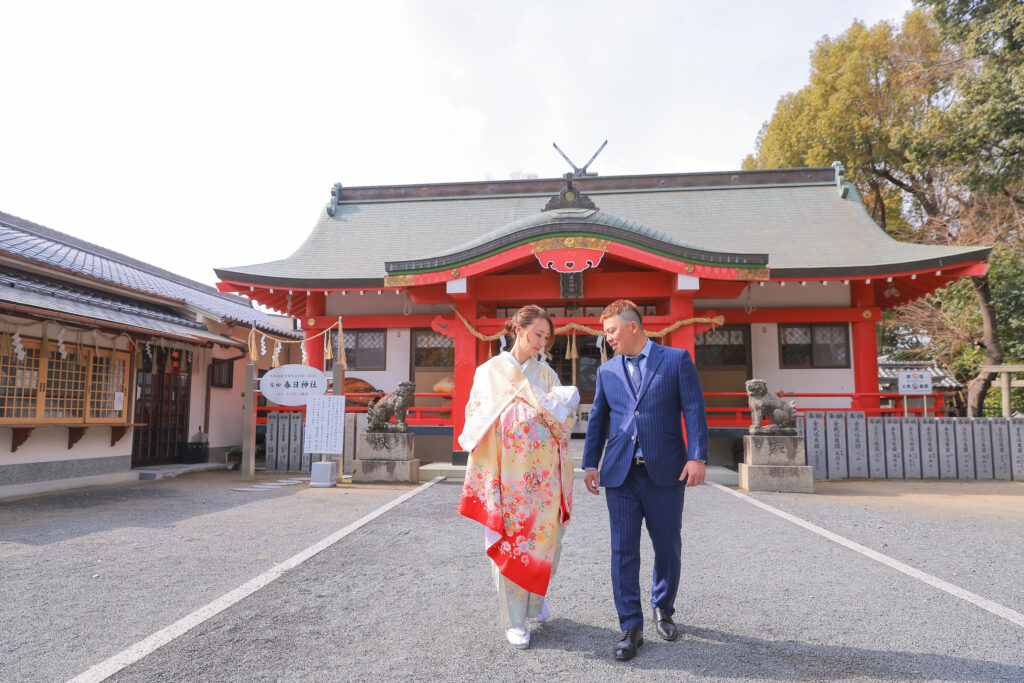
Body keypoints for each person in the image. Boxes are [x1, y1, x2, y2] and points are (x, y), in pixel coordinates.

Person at [582, 299, 709, 661]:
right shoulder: (607, 371)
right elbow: (598, 420)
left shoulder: (675, 360)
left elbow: (693, 409)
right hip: (620, 474)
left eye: (611, 331)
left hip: (665, 471)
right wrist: (590, 463)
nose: (608, 339)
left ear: (633, 326)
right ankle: (630, 626)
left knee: (667, 544)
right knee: (622, 550)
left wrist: (696, 456)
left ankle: (663, 607)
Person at [457, 304, 580, 649]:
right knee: (513, 545)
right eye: (537, 333)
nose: (541, 342)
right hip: (506, 476)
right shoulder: (490, 371)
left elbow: (566, 421)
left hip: (544, 479)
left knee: (546, 544)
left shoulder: (547, 376)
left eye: (546, 336)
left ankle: (535, 602)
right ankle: (514, 620)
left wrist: (552, 407)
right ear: (518, 329)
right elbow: (475, 418)